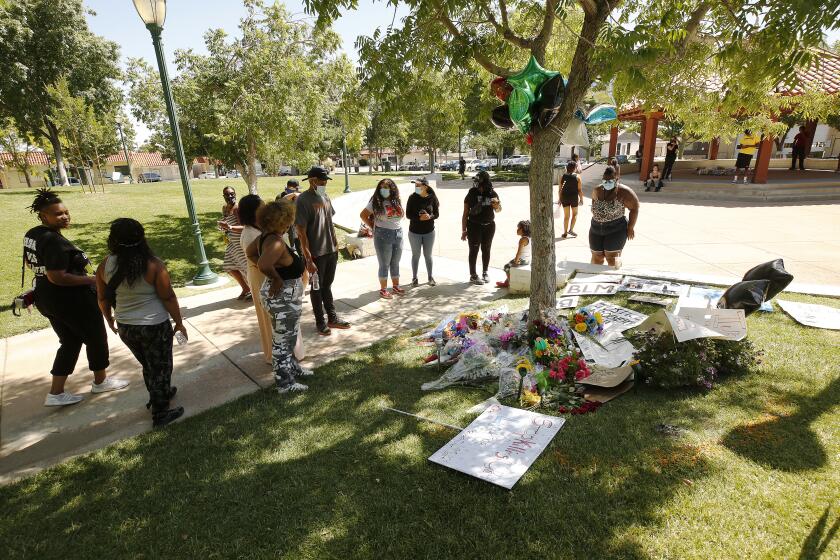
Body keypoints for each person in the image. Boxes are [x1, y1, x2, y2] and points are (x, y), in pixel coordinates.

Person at [23, 189, 128, 407]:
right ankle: (101, 381)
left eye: (66, 212)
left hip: (46, 298)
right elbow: (58, 277)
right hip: (70, 300)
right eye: (58, 214)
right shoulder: (53, 241)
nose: (65, 217)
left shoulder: (33, 234)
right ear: (44, 216)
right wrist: (92, 280)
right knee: (96, 337)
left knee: (70, 341)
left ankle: (56, 393)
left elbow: (31, 263)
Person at [95, 218, 184, 428]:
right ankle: (160, 413)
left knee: (148, 364)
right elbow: (168, 297)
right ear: (141, 237)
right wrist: (179, 323)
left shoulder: (105, 264)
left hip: (126, 326)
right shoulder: (153, 265)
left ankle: (158, 393)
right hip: (154, 325)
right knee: (161, 367)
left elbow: (102, 298)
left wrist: (109, 319)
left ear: (113, 240)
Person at [254, 199, 313, 394]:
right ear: (282, 221)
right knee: (282, 340)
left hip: (285, 297)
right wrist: (276, 278)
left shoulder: (265, 237)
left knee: (289, 335)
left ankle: (292, 367)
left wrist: (275, 269)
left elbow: (250, 253)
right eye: (288, 220)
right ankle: (285, 383)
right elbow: (263, 264)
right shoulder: (276, 242)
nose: (290, 224)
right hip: (282, 297)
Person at [295, 166, 351, 336]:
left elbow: (329, 222)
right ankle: (320, 322)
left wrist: (335, 246)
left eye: (325, 181)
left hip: (330, 251)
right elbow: (301, 232)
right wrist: (308, 258)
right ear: (312, 181)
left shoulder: (324, 196)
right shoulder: (303, 200)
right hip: (315, 254)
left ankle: (332, 318)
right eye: (321, 181)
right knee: (317, 288)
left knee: (327, 285)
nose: (324, 183)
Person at [238, 194, 273, 365]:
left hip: (266, 276)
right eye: (262, 206)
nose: (265, 209)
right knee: (268, 318)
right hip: (261, 278)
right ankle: (273, 355)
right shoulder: (249, 234)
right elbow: (262, 260)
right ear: (253, 212)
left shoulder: (259, 228)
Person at [361, 178, 405, 298]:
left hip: (398, 233)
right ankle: (383, 289)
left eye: (386, 187)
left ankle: (396, 286)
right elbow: (363, 215)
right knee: (384, 263)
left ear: (392, 189)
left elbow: (401, 215)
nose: (383, 190)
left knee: (395, 262)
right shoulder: (376, 201)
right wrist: (373, 226)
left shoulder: (396, 200)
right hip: (383, 234)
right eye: (382, 187)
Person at [589, 166, 640, 268]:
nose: (607, 182)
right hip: (596, 228)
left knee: (612, 258)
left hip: (616, 229)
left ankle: (615, 279)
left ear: (616, 179)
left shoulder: (625, 192)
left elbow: (635, 208)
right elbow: (594, 203)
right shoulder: (597, 190)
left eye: (610, 180)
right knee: (597, 257)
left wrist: (630, 227)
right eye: (605, 180)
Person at [461, 170, 501, 285]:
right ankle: (473, 275)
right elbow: (465, 213)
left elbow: (498, 210)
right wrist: (464, 230)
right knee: (474, 250)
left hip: (489, 226)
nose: (476, 183)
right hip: (474, 226)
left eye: (479, 181)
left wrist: (497, 206)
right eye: (476, 181)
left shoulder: (492, 193)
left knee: (486, 249)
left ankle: (485, 272)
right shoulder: (471, 193)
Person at [405, 177, 439, 287]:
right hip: (414, 232)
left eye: (418, 185)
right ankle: (414, 278)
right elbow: (408, 215)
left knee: (428, 255)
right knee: (416, 255)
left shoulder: (432, 198)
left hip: (429, 232)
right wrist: (419, 218)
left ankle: (430, 277)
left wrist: (429, 216)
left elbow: (437, 214)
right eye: (415, 185)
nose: (416, 187)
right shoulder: (412, 197)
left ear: (425, 186)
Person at [218, 186, 250, 300]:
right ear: (224, 196)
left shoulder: (237, 209)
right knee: (229, 265)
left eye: (232, 194)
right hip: (232, 243)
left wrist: (230, 227)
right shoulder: (225, 208)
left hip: (240, 242)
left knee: (246, 267)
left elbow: (244, 227)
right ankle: (246, 288)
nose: (230, 196)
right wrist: (224, 227)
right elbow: (227, 223)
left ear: (235, 194)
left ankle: (252, 289)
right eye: (227, 194)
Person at [495, 220, 531, 288]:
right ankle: (506, 281)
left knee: (506, 267)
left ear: (523, 229)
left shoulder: (522, 240)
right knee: (510, 267)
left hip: (521, 259)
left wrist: (516, 261)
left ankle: (509, 283)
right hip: (527, 259)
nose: (517, 230)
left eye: (519, 228)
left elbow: (519, 252)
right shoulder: (529, 238)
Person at [558, 161, 584, 239]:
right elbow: (579, 190)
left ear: (567, 167)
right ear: (575, 168)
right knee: (575, 214)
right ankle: (571, 230)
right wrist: (581, 199)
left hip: (564, 198)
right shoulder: (578, 177)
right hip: (573, 198)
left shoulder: (562, 176)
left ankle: (565, 232)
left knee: (566, 216)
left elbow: (560, 189)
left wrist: (559, 199)